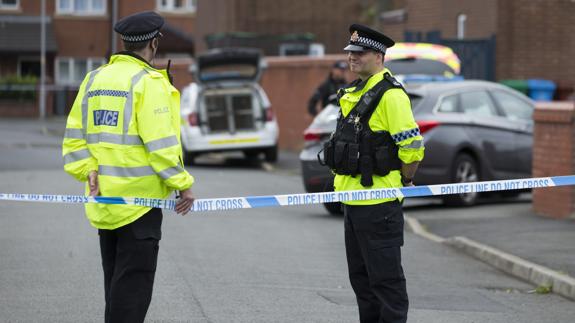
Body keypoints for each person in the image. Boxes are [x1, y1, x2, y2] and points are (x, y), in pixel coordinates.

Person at [62, 11, 195, 323]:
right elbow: (161, 147)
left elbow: (73, 139)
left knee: (117, 287)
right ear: (153, 43)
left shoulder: (93, 79)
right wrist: (183, 183)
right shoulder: (148, 83)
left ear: (123, 43)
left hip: (105, 203)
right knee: (132, 292)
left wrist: (88, 170)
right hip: (140, 207)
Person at [322, 24, 425, 323]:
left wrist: (405, 179)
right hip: (353, 203)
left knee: (386, 284)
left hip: (379, 205)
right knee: (362, 283)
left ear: (379, 56)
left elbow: (412, 149)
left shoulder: (391, 95)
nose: (352, 58)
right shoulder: (356, 91)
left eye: (360, 52)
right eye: (350, 52)